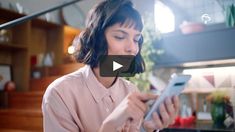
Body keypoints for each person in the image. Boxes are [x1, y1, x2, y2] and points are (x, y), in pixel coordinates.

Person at [42, 0, 180, 131]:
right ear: (97, 39)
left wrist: (147, 128)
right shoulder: (60, 93)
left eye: (136, 39)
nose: (132, 48)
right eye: (120, 37)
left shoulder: (131, 90)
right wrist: (110, 125)